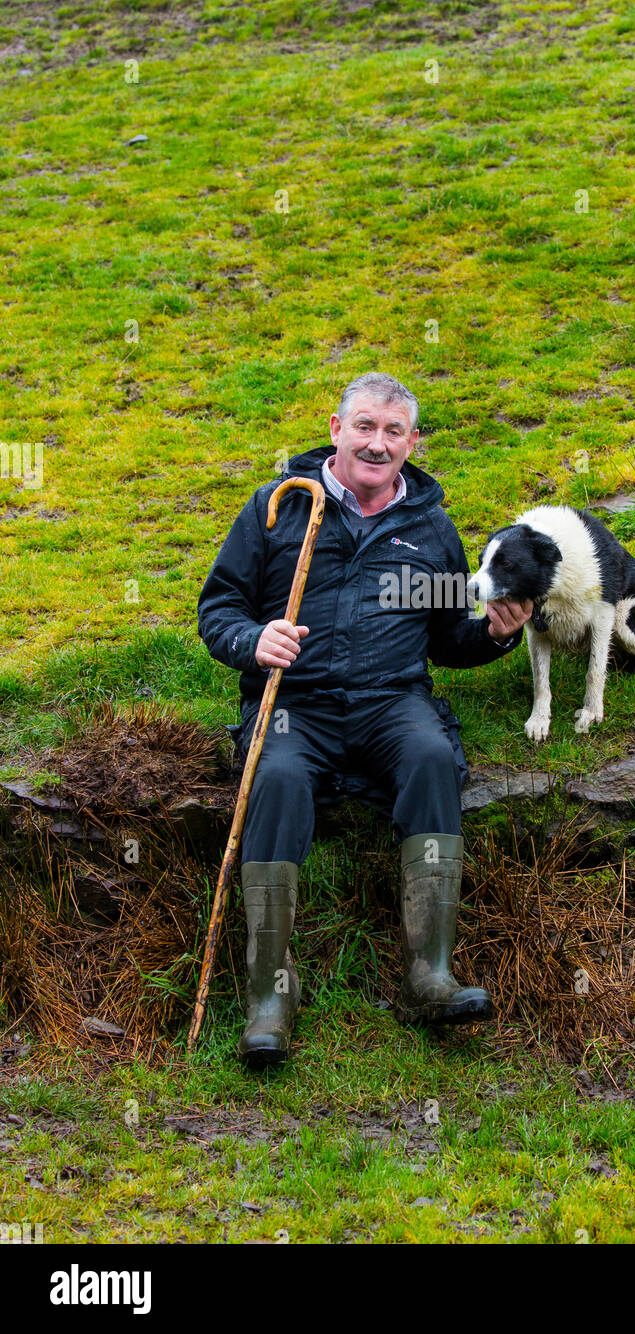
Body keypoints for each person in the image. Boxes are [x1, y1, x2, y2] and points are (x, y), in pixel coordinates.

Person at [197, 371, 531, 1069]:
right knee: (277, 779)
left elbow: (446, 639)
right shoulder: (276, 509)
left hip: (391, 701)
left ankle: (430, 975)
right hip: (294, 705)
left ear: (413, 442)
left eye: (393, 431)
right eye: (364, 428)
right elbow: (218, 608)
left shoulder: (431, 529)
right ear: (336, 429)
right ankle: (269, 997)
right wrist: (252, 641)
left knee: (432, 756)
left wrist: (498, 634)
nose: (376, 445)